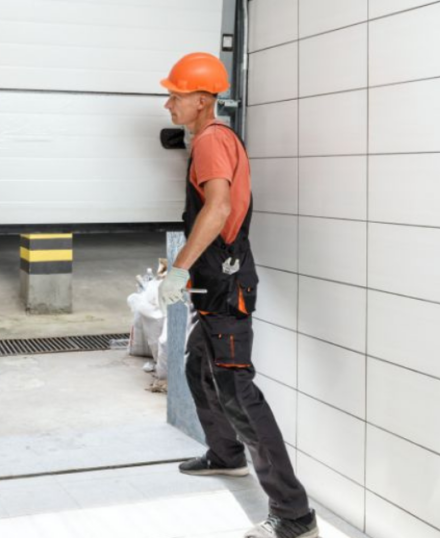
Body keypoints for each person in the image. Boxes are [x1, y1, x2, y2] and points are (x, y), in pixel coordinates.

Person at [158, 52, 318, 538]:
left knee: (238, 393)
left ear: (203, 99)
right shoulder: (210, 139)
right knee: (195, 365)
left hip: (225, 285)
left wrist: (179, 267)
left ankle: (294, 514)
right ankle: (226, 456)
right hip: (217, 281)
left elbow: (219, 206)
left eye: (176, 94)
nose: (168, 103)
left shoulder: (211, 141)